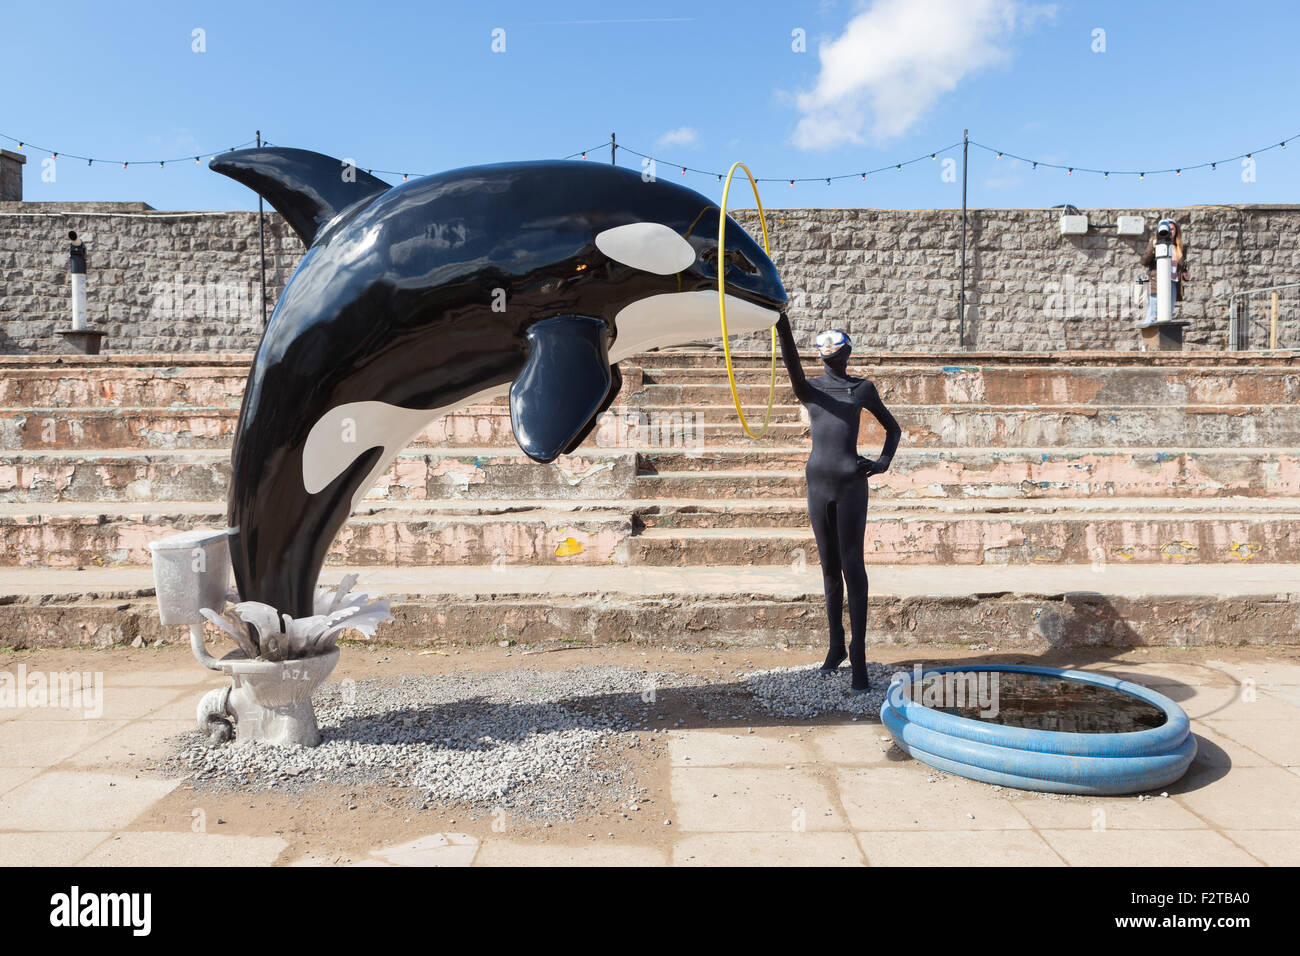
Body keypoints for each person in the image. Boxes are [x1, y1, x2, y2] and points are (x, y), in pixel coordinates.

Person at [774, 313, 901, 692]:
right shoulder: (810, 390)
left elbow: (893, 428)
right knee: (829, 568)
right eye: (827, 353)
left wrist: (881, 464)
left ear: (847, 354)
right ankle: (835, 649)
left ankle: (858, 656)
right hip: (818, 484)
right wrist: (781, 324)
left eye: (837, 352)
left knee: (852, 567)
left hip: (851, 485)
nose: (833, 359)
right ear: (821, 357)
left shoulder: (862, 389)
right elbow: (792, 368)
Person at [1139, 220, 1190, 322]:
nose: (1170, 232)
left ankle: (1163, 337)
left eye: (1172, 229)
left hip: (1173, 283)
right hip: (1157, 283)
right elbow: (1144, 261)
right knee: (1152, 315)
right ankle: (1147, 338)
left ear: (1176, 231)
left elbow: (1182, 268)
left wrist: (1185, 274)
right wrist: (1152, 247)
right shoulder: (1154, 243)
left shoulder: (1180, 248)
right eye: (1168, 229)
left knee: (1167, 315)